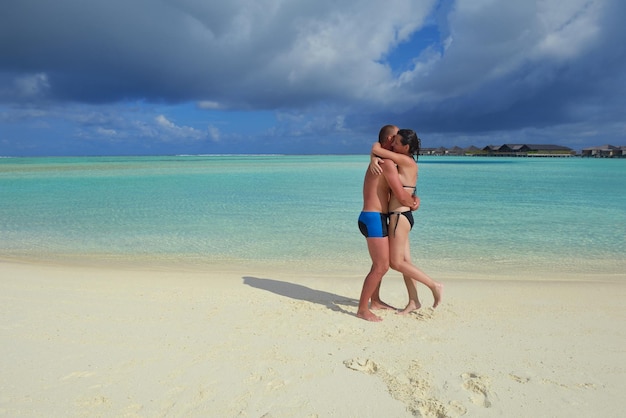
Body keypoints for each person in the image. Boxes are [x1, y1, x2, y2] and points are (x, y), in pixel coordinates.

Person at [370, 129, 443, 311]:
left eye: (397, 143)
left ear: (406, 147)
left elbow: (377, 148)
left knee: (396, 263)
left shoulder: (403, 160)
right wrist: (414, 200)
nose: (393, 145)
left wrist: (374, 155)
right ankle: (413, 301)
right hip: (405, 216)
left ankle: (434, 285)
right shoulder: (407, 162)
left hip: (398, 216)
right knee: (406, 262)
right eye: (392, 142)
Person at [357, 125, 419, 322]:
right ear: (391, 139)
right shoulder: (386, 163)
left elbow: (376, 148)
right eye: (397, 137)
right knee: (382, 266)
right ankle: (362, 309)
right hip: (373, 217)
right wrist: (414, 204)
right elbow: (400, 194)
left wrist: (373, 154)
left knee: (379, 264)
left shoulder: (381, 160)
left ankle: (375, 300)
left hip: (377, 217)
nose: (399, 140)